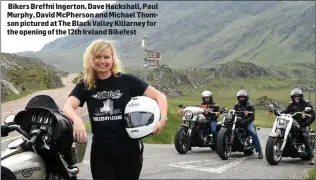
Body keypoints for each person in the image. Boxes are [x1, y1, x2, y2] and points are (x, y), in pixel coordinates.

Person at [62, 39, 168, 180]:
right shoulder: (86, 85)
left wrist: (163, 119)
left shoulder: (127, 81)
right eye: (98, 57)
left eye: (106, 57)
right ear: (90, 59)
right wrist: (77, 120)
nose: (102, 61)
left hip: (129, 151)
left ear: (113, 59)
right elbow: (67, 107)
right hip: (101, 154)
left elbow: (159, 96)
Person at [280, 88, 315, 165]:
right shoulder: (291, 104)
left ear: (301, 96)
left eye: (297, 96)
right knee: (283, 130)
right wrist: (279, 112)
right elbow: (286, 111)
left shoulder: (306, 104)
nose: (296, 98)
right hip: (293, 123)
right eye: (294, 97)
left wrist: (307, 121)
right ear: (292, 98)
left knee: (305, 135)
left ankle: (312, 157)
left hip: (303, 124)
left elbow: (313, 113)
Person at [233, 90, 263, 159]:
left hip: (247, 122)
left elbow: (252, 117)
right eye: (240, 97)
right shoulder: (236, 105)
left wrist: (245, 122)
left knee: (252, 132)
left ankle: (259, 151)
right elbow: (233, 113)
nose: (241, 99)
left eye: (243, 97)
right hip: (238, 121)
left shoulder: (250, 106)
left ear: (246, 98)